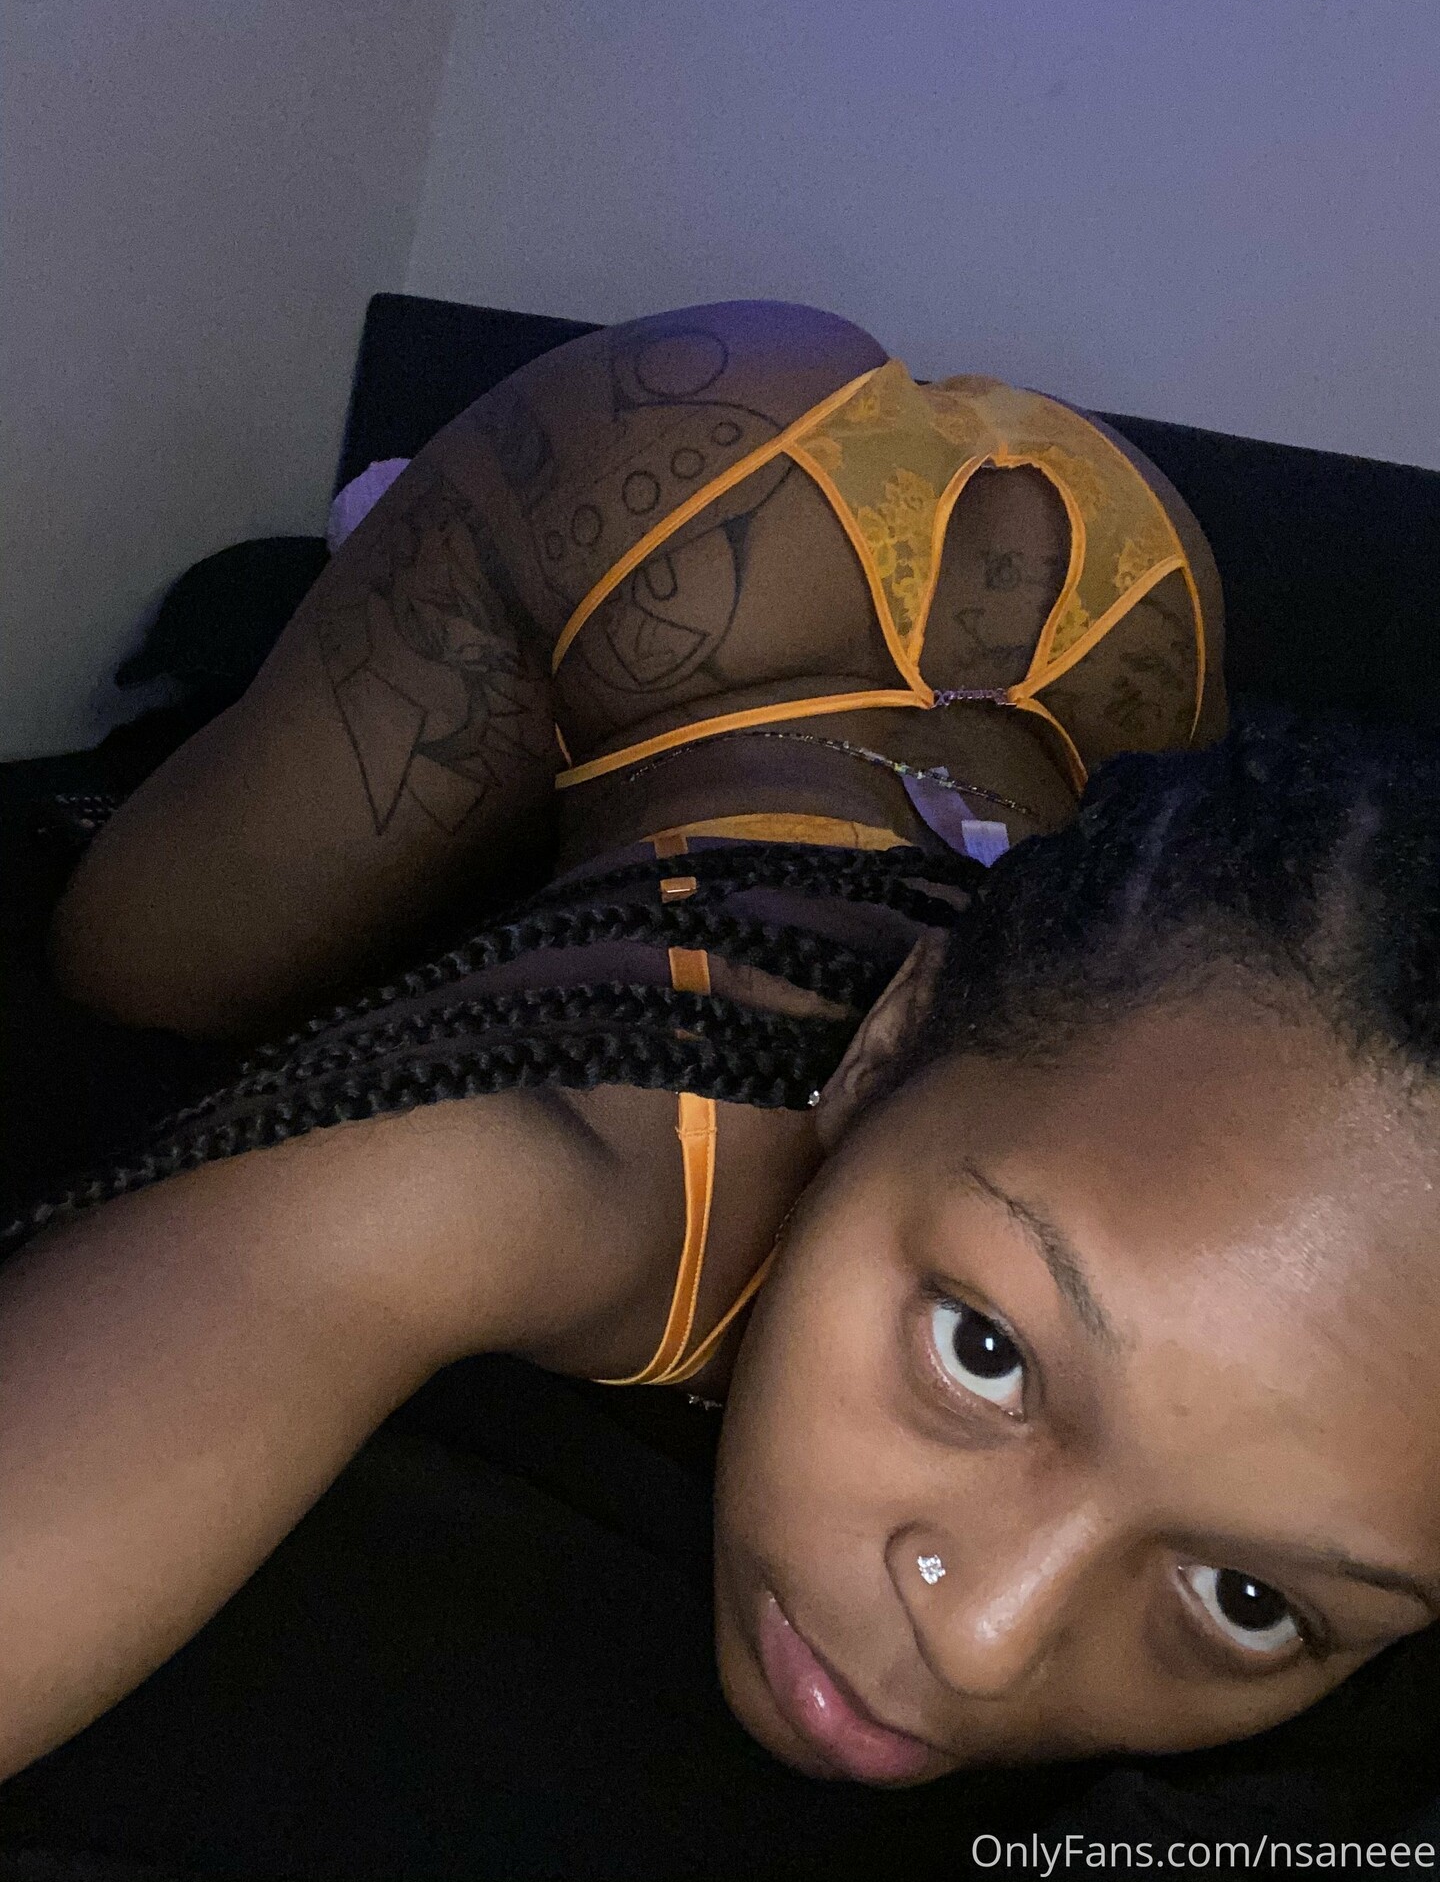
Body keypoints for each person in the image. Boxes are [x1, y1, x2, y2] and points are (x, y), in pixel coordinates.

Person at [19, 302, 1433, 1790]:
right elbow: (332, 1241)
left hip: (1112, 634)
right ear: (885, 1046)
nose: (982, 1643)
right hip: (688, 502)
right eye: (985, 1352)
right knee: (130, 964)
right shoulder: (514, 1183)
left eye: (1246, 1600)